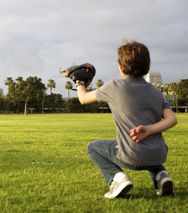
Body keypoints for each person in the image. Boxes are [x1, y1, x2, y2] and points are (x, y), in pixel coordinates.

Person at [75, 40, 177, 199]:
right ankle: (161, 175)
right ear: (147, 67)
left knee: (93, 147)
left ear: (121, 67)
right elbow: (172, 119)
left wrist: (79, 81)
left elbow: (83, 98)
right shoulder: (156, 93)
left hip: (131, 156)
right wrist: (149, 129)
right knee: (149, 150)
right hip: (158, 154)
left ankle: (118, 179)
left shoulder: (115, 86)